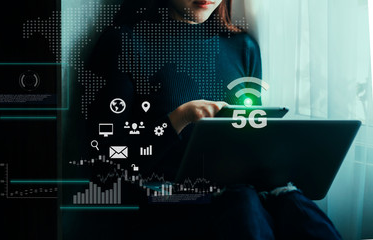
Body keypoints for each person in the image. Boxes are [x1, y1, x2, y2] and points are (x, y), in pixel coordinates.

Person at [87, 0, 342, 239]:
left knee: (295, 206)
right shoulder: (124, 43)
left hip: (240, 196)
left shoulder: (243, 47)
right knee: (243, 203)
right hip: (167, 205)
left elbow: (252, 145)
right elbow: (106, 169)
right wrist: (178, 119)